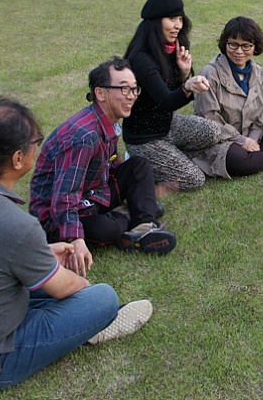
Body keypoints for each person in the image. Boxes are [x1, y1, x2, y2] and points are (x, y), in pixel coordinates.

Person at [0, 98, 153, 395]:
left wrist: (42, 255)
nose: (39, 147)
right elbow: (66, 288)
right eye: (36, 141)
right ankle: (87, 328)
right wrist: (79, 284)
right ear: (17, 159)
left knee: (41, 282)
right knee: (101, 298)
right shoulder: (16, 225)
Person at [30, 57, 176, 277]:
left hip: (92, 192)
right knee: (108, 229)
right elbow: (64, 196)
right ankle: (131, 216)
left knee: (139, 166)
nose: (131, 96)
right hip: (58, 213)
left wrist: (139, 187)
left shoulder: (109, 121)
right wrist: (75, 239)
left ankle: (143, 225)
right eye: (124, 89)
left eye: (134, 89)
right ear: (100, 93)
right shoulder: (84, 136)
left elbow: (112, 164)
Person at [123, 0, 218, 191]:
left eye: (180, 19)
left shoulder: (167, 50)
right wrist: (187, 86)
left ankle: (168, 156)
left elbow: (171, 98)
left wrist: (183, 73)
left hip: (167, 125)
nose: (178, 25)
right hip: (144, 138)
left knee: (213, 132)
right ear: (155, 21)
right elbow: (165, 101)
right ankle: (138, 160)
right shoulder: (141, 59)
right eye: (172, 19)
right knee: (194, 180)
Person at [192, 16, 263, 177]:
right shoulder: (210, 75)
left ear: (255, 47)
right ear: (225, 43)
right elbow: (210, 118)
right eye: (233, 44)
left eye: (246, 46)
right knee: (238, 160)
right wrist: (241, 141)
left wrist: (252, 138)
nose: (239, 51)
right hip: (223, 139)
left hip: (252, 133)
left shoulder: (258, 72)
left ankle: (255, 156)